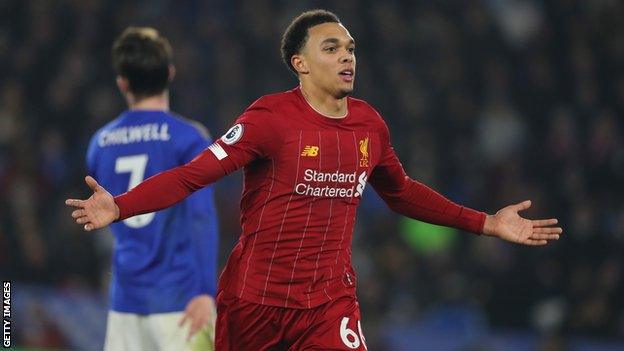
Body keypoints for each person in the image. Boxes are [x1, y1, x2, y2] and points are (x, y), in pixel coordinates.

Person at [67, 11, 562, 350]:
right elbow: (194, 175)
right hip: (253, 303)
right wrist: (120, 206)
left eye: (350, 48)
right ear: (300, 64)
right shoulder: (268, 119)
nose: (348, 57)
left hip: (328, 302)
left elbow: (402, 193)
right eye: (332, 48)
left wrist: (487, 224)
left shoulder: (370, 125)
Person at [85, 27, 218, 351]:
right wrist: (204, 290)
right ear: (170, 73)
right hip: (182, 300)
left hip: (125, 301)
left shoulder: (100, 143)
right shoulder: (189, 137)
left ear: (123, 83)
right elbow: (200, 216)